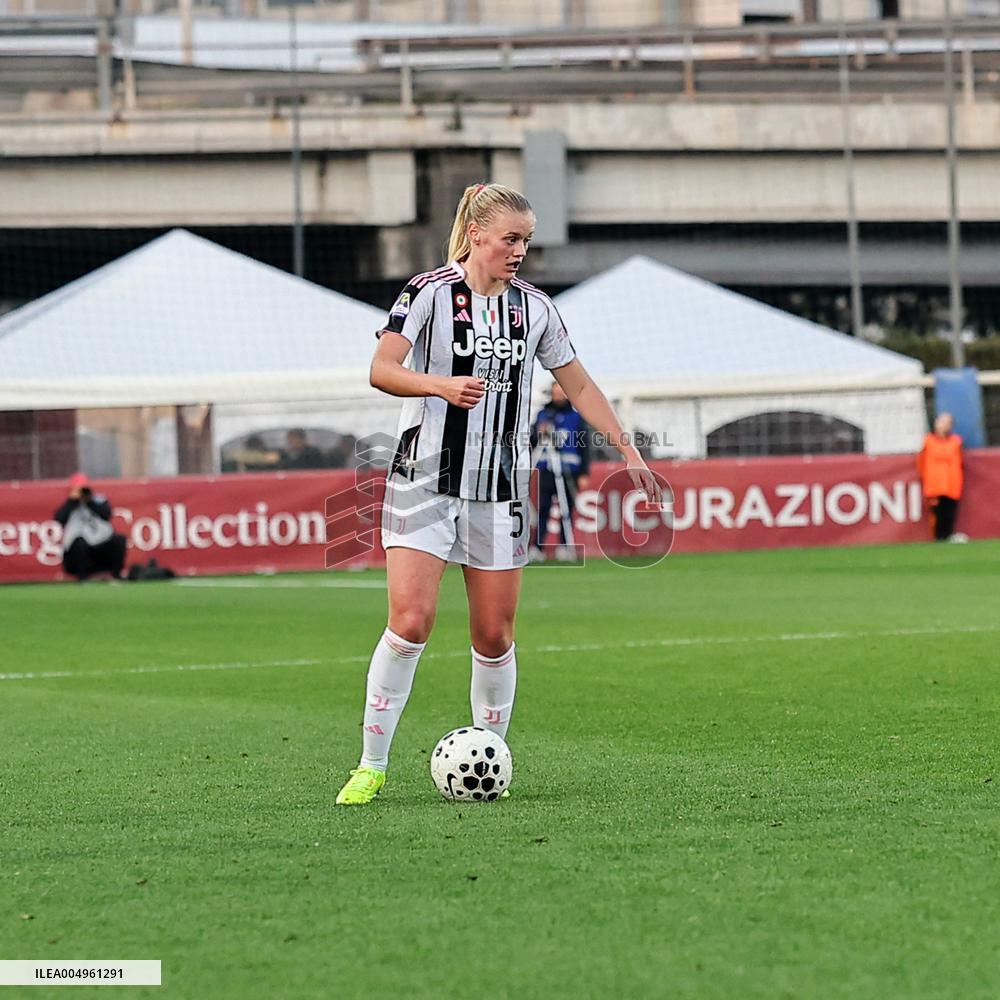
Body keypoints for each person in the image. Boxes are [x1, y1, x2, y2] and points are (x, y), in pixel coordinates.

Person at [334, 181, 661, 806]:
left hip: (501, 490)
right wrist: (439, 386)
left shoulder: (535, 309)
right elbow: (382, 369)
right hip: (424, 479)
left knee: (494, 635)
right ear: (477, 235)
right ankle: (371, 765)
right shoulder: (428, 293)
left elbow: (581, 384)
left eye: (526, 241)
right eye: (510, 239)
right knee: (411, 620)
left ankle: (489, 760)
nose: (519, 251)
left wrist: (625, 445)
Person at [530, 382, 591, 561]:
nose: (558, 396)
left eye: (561, 392)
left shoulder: (575, 417)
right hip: (546, 469)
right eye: (555, 392)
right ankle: (537, 547)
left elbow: (584, 446)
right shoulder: (543, 414)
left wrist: (583, 473)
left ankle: (564, 546)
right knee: (543, 509)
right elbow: (532, 441)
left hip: (567, 471)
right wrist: (538, 433)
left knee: (566, 509)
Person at [54, 472, 127, 582]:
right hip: (77, 553)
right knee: (79, 543)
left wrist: (89, 501)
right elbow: (59, 518)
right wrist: (72, 501)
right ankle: (82, 578)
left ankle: (116, 575)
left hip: (100, 547)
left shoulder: (98, 500)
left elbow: (106, 515)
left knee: (120, 539)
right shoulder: (69, 505)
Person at [916, 412, 963, 541]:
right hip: (935, 485)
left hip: (952, 485)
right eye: (942, 421)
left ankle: (948, 537)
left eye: (948, 422)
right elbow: (920, 462)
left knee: (949, 514)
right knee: (937, 515)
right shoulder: (929, 441)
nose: (945, 425)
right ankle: (938, 539)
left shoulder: (956, 441)